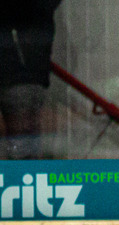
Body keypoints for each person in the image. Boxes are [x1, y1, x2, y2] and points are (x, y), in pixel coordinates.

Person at [0, 0, 63, 159]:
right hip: (24, 71)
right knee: (24, 143)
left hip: (18, 71)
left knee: (22, 144)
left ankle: (22, 178)